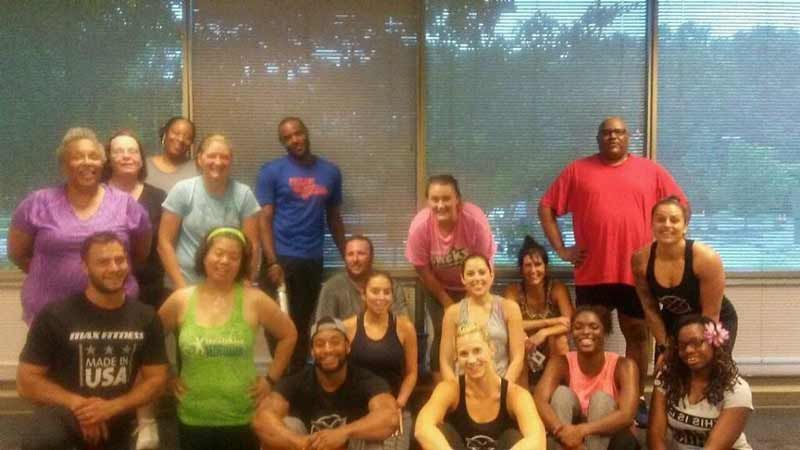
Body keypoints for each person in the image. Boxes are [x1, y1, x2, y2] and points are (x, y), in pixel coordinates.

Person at [539, 116, 686, 422]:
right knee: (589, 335)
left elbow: (681, 207)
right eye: (606, 133)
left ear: (628, 137)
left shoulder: (650, 171)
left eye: (618, 132)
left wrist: (665, 249)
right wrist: (562, 249)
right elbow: (547, 207)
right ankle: (586, 395)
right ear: (598, 138)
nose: (612, 137)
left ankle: (635, 399)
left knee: (637, 335)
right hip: (593, 273)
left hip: (637, 273)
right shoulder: (578, 171)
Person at [16, 232, 169, 450]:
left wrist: (111, 408)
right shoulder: (55, 316)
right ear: (85, 267)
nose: (115, 268)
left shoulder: (146, 317)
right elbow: (26, 382)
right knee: (42, 441)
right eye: (103, 262)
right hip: (63, 414)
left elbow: (157, 380)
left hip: (117, 417)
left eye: (120, 260)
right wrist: (80, 407)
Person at [158, 227, 297, 449]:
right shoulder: (180, 300)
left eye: (234, 257)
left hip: (242, 415)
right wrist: (165, 376)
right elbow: (150, 341)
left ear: (242, 263)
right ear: (205, 255)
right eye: (219, 253)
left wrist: (270, 380)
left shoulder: (255, 300)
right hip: (193, 415)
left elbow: (289, 334)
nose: (224, 261)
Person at [8, 127, 152, 324]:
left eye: (93, 156)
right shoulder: (38, 203)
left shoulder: (126, 205)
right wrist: (52, 271)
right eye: (78, 157)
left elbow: (139, 254)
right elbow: (17, 253)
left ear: (102, 163)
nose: (86, 162)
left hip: (113, 310)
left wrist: (110, 272)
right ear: (64, 165)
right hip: (49, 313)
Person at [256, 117, 346, 372]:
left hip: (311, 259)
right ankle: (281, 379)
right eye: (287, 137)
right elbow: (264, 219)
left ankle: (295, 381)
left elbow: (334, 219)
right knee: (278, 325)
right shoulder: (271, 171)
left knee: (303, 322)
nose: (294, 140)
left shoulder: (330, 172)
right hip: (280, 260)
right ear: (282, 142)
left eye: (297, 133)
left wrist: (347, 256)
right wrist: (272, 261)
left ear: (306, 133)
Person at [253, 316, 399, 450]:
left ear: (347, 347)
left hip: (350, 446)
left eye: (335, 342)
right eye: (320, 344)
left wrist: (343, 433)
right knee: (288, 425)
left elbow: (390, 418)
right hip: (309, 447)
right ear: (312, 351)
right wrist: (299, 442)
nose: (328, 349)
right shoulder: (296, 381)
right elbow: (261, 419)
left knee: (373, 440)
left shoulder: (366, 380)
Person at [406, 174, 496, 378]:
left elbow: (485, 265)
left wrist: (470, 301)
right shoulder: (419, 227)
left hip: (474, 283)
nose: (440, 205)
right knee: (444, 329)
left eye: (446, 199)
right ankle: (442, 384)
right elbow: (422, 269)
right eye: (435, 199)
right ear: (428, 201)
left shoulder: (475, 222)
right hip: (438, 285)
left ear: (458, 201)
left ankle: (480, 380)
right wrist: (446, 301)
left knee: (476, 330)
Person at [632, 196, 738, 366]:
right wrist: (665, 347)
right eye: (660, 220)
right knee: (667, 371)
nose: (667, 224)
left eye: (674, 220)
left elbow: (711, 314)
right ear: (651, 225)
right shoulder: (640, 260)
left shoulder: (706, 259)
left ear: (685, 227)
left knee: (707, 371)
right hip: (674, 320)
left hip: (713, 321)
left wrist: (697, 348)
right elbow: (650, 309)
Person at [415, 322, 546, 450]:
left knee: (512, 437)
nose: (471, 360)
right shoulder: (450, 389)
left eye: (477, 350)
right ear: (457, 357)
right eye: (464, 354)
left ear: (492, 349)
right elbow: (422, 428)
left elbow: (537, 440)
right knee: (442, 431)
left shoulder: (516, 395)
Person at [159, 134, 260, 290]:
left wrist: (246, 283)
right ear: (200, 159)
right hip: (185, 283)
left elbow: (252, 246)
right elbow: (164, 242)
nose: (218, 162)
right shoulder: (183, 190)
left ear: (231, 161)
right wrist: (181, 288)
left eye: (224, 157)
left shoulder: (244, 195)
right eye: (212, 156)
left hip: (229, 287)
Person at [534, 305, 640, 450]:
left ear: (605, 331)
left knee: (600, 399)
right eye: (578, 327)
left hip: (610, 438)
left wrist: (583, 430)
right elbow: (540, 400)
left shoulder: (625, 365)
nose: (585, 332)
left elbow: (627, 414)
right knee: (561, 395)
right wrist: (562, 432)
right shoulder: (560, 362)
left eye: (594, 327)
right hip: (568, 440)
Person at [648, 315, 753, 450]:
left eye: (696, 343)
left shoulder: (737, 390)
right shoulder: (667, 377)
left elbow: (713, 448)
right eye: (682, 345)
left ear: (714, 343)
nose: (688, 350)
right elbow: (655, 437)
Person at [343, 271, 417, 450]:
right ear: (363, 293)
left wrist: (399, 402)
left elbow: (412, 372)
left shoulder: (405, 327)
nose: (381, 297)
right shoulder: (347, 327)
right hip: (358, 409)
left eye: (386, 292)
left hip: (394, 408)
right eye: (375, 291)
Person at [104, 129, 169, 308]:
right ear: (108, 160)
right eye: (118, 152)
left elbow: (165, 244)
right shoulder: (97, 195)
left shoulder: (159, 197)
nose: (126, 156)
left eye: (132, 151)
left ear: (141, 160)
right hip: (104, 288)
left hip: (149, 290)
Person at [440, 255, 525, 384]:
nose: (477, 278)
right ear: (463, 279)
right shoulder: (452, 313)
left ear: (491, 275)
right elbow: (445, 361)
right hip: (464, 388)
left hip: (501, 385)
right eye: (470, 274)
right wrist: (456, 392)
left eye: (482, 272)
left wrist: (503, 389)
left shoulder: (510, 308)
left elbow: (518, 357)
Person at [503, 236, 573, 385]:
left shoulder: (557, 289)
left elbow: (569, 322)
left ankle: (556, 391)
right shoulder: (513, 291)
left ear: (545, 267)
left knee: (559, 339)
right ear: (521, 269)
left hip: (550, 348)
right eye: (528, 265)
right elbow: (509, 324)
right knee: (518, 337)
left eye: (538, 264)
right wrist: (550, 321)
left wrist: (544, 333)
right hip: (525, 346)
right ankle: (523, 395)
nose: (533, 270)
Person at [315, 235, 408, 322]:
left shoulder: (390, 286)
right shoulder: (331, 288)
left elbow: (403, 325)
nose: (355, 259)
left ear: (371, 257)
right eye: (350, 254)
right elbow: (323, 329)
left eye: (361, 253)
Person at [146, 116, 198, 193]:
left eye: (187, 137)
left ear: (191, 143)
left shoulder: (197, 170)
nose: (181, 139)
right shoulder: (145, 166)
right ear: (165, 134)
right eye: (176, 133)